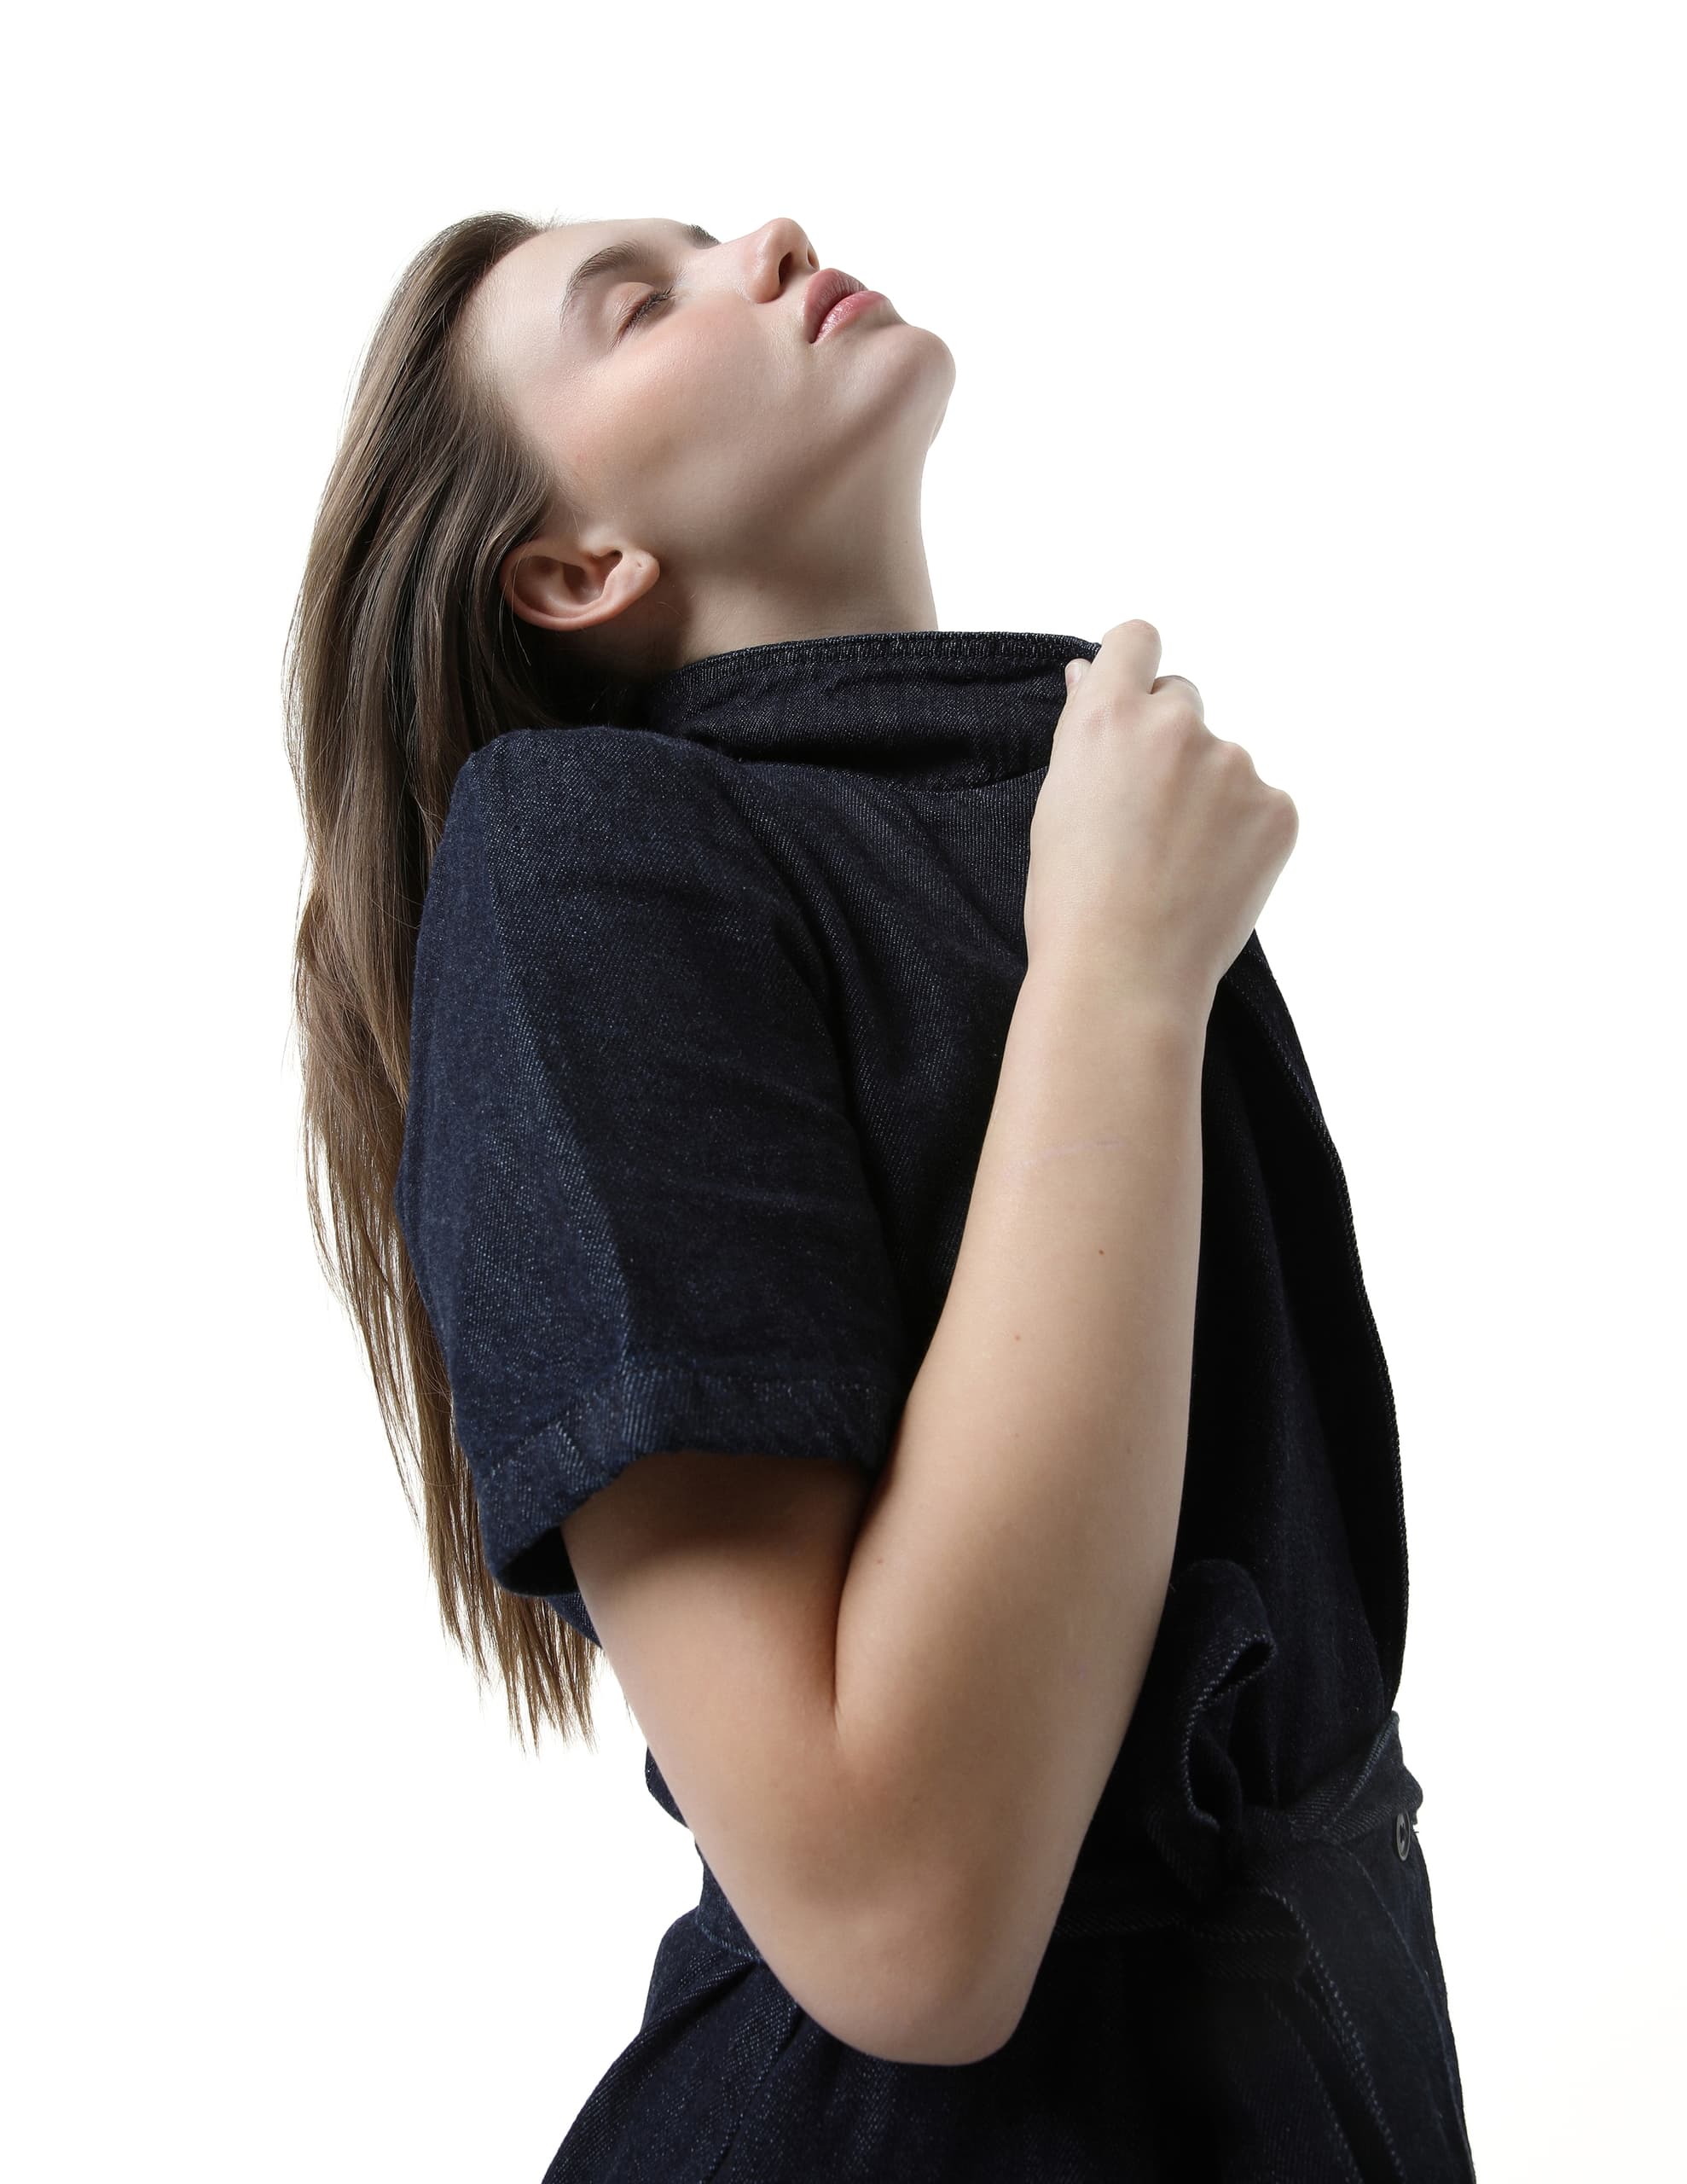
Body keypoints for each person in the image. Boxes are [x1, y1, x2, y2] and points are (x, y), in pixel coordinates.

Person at [285, 211, 1477, 2181]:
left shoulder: (1085, 833)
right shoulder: (584, 849)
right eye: (637, 304)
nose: (765, 238)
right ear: (576, 567)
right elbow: (895, 1915)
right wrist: (1115, 973)